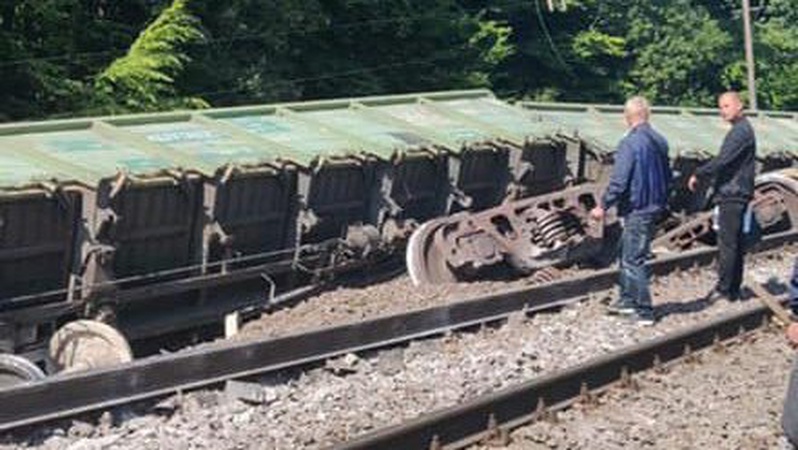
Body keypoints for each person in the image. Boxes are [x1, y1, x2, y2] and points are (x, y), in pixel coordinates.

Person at [590, 96, 672, 326]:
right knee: (625, 253)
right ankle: (627, 301)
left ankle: (645, 311)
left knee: (634, 259)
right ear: (647, 115)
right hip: (653, 206)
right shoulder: (660, 140)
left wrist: (602, 205)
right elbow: (668, 177)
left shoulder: (630, 143)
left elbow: (619, 180)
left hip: (637, 207)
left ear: (628, 117)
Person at [688, 91, 756, 302]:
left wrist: (699, 173)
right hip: (736, 192)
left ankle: (725, 289)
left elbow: (723, 160)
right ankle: (732, 288)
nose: (722, 111)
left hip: (732, 193)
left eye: (726, 106)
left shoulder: (740, 132)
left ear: (739, 106)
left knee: (728, 243)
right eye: (720, 107)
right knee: (734, 242)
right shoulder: (742, 130)